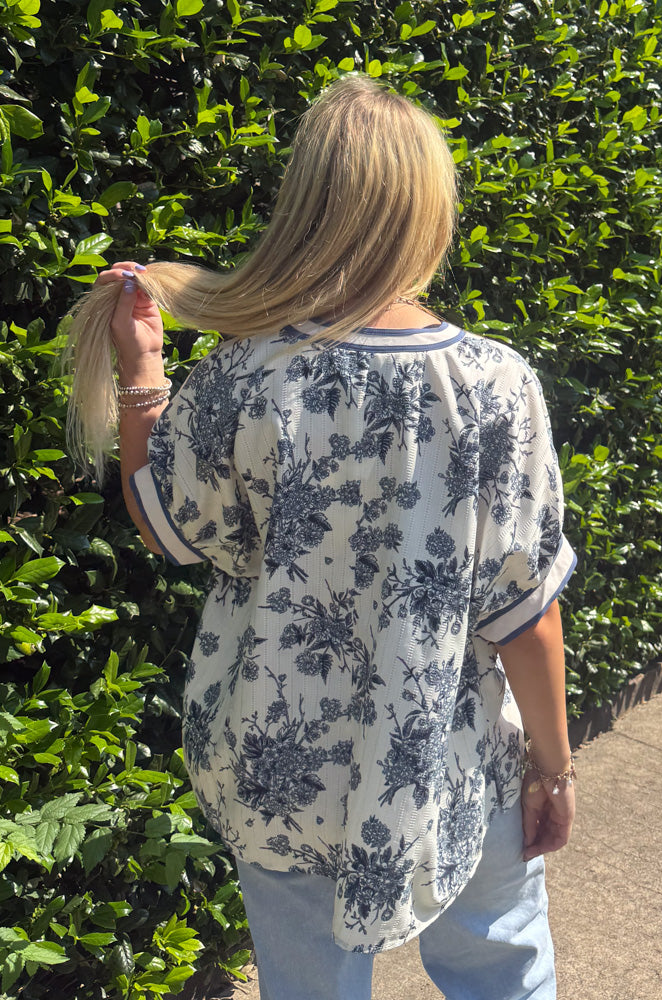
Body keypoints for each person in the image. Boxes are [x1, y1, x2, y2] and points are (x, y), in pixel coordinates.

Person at [66, 75, 577, 1000]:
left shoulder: (243, 374)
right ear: (428, 209)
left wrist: (144, 373)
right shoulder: (495, 385)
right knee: (502, 969)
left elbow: (168, 526)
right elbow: (525, 615)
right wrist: (554, 768)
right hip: (451, 757)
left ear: (305, 203)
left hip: (276, 768)